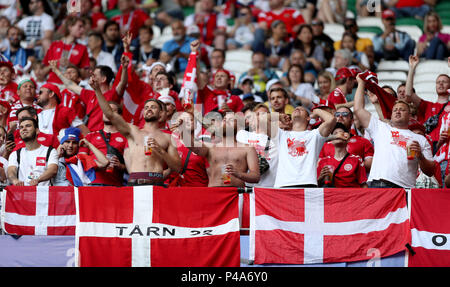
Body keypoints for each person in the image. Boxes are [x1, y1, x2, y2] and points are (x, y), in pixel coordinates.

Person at [91, 58, 181, 185]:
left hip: (157, 182)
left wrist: (161, 151)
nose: (149, 109)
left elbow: (177, 167)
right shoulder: (133, 130)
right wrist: (97, 90)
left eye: (153, 107)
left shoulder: (168, 137)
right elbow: (110, 114)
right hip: (134, 181)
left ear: (161, 113)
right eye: (146, 107)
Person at [353, 72, 435, 188]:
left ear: (409, 116)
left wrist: (420, 156)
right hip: (376, 184)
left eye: (402, 109)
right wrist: (361, 83)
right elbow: (358, 109)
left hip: (403, 188)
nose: (397, 111)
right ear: (391, 115)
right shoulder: (381, 128)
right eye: (395, 109)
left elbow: (430, 171)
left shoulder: (420, 139)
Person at [179, 108, 260, 187]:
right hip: (214, 194)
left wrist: (239, 174)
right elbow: (190, 144)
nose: (226, 121)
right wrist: (182, 128)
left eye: (231, 120)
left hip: (236, 194)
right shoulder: (210, 147)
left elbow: (256, 177)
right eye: (224, 119)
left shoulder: (248, 149)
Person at [274, 104, 336, 188]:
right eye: (295, 109)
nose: (297, 108)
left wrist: (316, 112)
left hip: (308, 183)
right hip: (283, 184)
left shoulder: (315, 135)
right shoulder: (281, 134)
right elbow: (262, 120)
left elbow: (331, 119)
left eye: (301, 110)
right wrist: (278, 116)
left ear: (308, 118)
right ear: (291, 119)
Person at [78, 102, 128, 187]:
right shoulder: (90, 136)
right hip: (91, 184)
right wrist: (99, 163)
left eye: (112, 110)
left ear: (119, 116)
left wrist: (120, 166)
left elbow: (131, 166)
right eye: (106, 110)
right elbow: (81, 160)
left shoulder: (126, 138)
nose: (108, 112)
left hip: (115, 185)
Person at [319, 106, 374, 172]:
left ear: (352, 121)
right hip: (331, 181)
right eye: (337, 114)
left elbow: (370, 165)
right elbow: (319, 165)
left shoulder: (364, 141)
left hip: (354, 181)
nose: (340, 117)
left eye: (344, 114)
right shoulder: (323, 142)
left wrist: (349, 166)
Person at [236, 103, 279, 187]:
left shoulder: (277, 137)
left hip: (270, 186)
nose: (260, 117)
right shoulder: (243, 135)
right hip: (248, 186)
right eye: (257, 114)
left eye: (264, 115)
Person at [7, 117, 58, 186]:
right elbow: (11, 171)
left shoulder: (50, 151)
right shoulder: (15, 154)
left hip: (44, 193)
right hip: (22, 194)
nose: (24, 129)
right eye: (21, 127)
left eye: (28, 126)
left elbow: (53, 170)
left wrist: (38, 179)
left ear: (37, 131)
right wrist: (14, 180)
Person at [317, 122, 367, 187]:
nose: (338, 135)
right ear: (331, 141)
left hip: (351, 196)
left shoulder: (357, 159)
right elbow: (316, 186)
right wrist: (320, 178)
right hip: (332, 196)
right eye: (335, 134)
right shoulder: (323, 161)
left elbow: (363, 184)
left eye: (341, 133)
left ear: (348, 139)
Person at [42, 16, 90, 84]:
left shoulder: (82, 48)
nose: (82, 30)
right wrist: (54, 65)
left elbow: (85, 75)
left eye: (83, 27)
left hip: (70, 86)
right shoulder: (55, 45)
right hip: (52, 84)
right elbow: (42, 72)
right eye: (80, 26)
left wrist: (70, 65)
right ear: (70, 27)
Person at [169, 111, 209, 187]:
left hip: (198, 191)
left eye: (190, 119)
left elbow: (210, 172)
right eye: (183, 120)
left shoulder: (203, 145)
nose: (186, 122)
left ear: (196, 125)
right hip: (176, 192)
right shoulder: (171, 143)